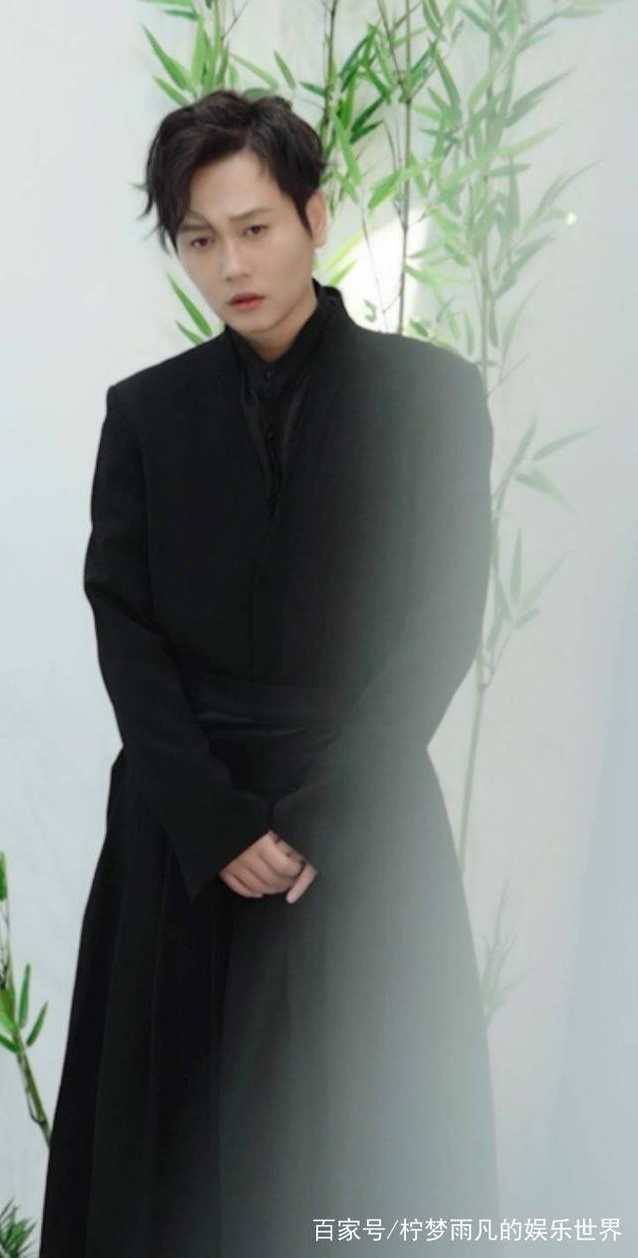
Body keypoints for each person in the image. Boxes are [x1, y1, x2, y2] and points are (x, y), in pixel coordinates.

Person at [39, 89, 500, 1257]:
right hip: (182, 837)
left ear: (315, 215)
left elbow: (439, 620)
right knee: (168, 1168)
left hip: (358, 822)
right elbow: (123, 627)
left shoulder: (431, 397)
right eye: (199, 238)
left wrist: (316, 814)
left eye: (254, 227)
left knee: (359, 1151)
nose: (231, 265)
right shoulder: (145, 415)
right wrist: (216, 822)